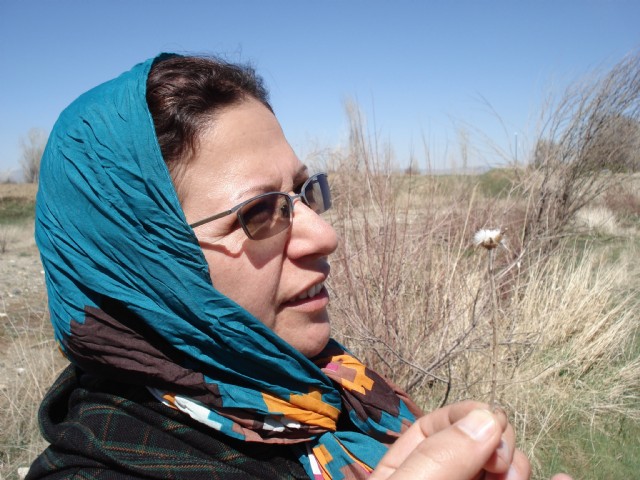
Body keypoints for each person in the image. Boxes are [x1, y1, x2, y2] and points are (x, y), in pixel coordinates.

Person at [26, 53, 569, 480]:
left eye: (305, 192)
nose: (325, 236)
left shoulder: (331, 393)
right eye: (258, 212)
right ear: (142, 268)